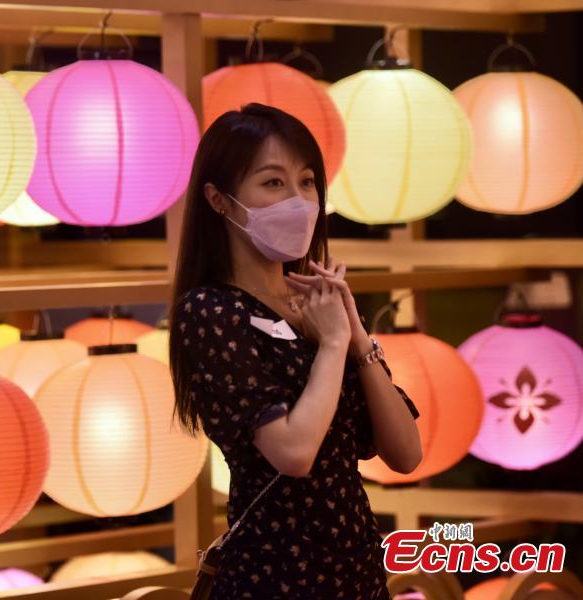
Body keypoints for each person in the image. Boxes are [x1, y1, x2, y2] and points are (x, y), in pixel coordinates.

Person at [169, 103, 423, 599]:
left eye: (307, 182)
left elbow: (406, 453)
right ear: (219, 200)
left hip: (359, 574)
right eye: (273, 182)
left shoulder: (316, 305)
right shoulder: (212, 311)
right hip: (275, 577)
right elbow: (293, 453)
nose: (298, 200)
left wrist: (357, 340)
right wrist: (332, 345)